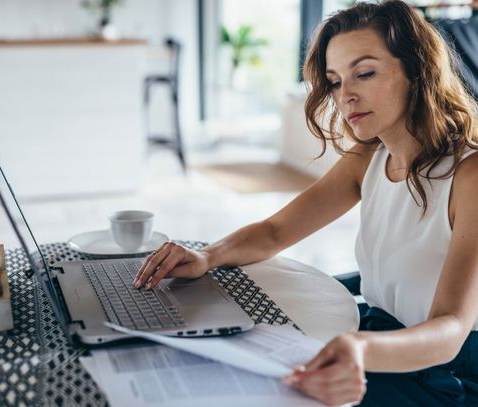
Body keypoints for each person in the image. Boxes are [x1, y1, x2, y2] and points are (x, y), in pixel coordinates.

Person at [133, 1, 478, 405]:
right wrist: (207, 256)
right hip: (377, 338)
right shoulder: (369, 156)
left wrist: (361, 350)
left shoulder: (469, 175)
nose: (345, 95)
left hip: (444, 371)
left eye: (364, 73)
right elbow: (277, 231)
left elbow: (451, 327)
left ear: (417, 71)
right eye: (334, 81)